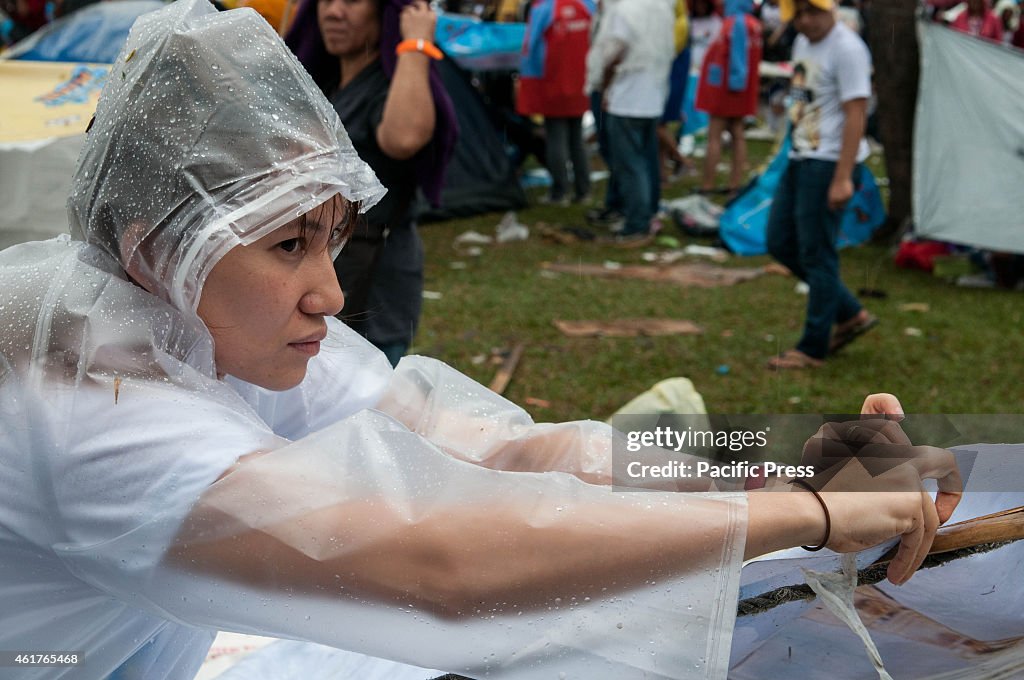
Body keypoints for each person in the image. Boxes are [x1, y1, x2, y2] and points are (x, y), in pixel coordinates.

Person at [0, 1, 962, 678]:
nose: (330, 293)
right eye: (289, 244)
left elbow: (517, 451)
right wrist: (806, 516)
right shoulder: (94, 413)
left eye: (332, 241)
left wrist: (808, 457)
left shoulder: (209, 324)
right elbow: (437, 562)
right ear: (153, 247)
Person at [285, 0, 458, 367]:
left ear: (385, 12)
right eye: (325, 1)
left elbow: (405, 137)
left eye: (351, 1)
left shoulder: (388, 86)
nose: (333, 12)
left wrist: (414, 45)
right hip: (324, 273)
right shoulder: (329, 82)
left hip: (375, 280)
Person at [766, 0, 878, 370]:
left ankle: (812, 349)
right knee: (781, 241)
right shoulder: (802, 42)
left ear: (829, 9)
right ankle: (850, 312)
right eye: (798, 13)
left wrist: (843, 176)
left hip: (829, 163)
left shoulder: (848, 49)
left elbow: (857, 114)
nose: (805, 20)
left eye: (812, 11)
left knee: (817, 254)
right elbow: (805, 93)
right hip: (802, 156)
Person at [585, 0, 675, 246]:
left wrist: (604, 83)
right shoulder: (662, 7)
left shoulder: (624, 10)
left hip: (627, 97)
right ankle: (645, 214)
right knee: (644, 161)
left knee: (630, 164)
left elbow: (614, 51)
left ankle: (636, 223)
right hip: (653, 96)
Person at [516, 0, 594, 206]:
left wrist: (528, 79)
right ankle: (583, 190)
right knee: (576, 137)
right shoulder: (586, 5)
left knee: (556, 137)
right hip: (580, 80)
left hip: (553, 81)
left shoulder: (543, 8)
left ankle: (560, 192)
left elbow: (529, 47)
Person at [695, 0, 762, 195]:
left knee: (715, 136)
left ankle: (708, 185)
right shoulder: (753, 23)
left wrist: (735, 85)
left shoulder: (737, 23)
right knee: (737, 133)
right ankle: (735, 184)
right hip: (740, 88)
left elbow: (738, 59)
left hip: (728, 88)